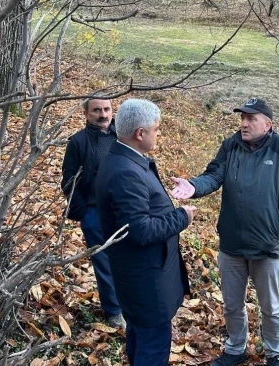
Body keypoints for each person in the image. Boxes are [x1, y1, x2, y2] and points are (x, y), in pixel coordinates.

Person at [170, 97, 279, 366]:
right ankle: (235, 349)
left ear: (267, 124)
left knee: (271, 307)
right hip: (232, 243)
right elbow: (213, 175)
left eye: (251, 119)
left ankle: (274, 353)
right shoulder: (231, 145)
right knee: (233, 304)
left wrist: (278, 225)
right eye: (242, 118)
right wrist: (194, 187)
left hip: (267, 246)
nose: (244, 124)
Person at [96, 99, 197, 365]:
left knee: (140, 338)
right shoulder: (125, 173)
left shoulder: (124, 159)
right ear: (140, 134)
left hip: (141, 277)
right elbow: (139, 230)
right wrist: (181, 216)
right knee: (152, 348)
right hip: (146, 281)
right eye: (156, 128)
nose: (159, 133)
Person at [61, 93, 124, 328]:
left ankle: (132, 303)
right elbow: (69, 181)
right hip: (94, 212)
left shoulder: (123, 136)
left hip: (124, 209)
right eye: (97, 110)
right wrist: (83, 213)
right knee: (104, 261)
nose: (103, 115)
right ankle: (114, 310)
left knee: (128, 258)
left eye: (107, 109)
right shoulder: (78, 142)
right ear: (86, 114)